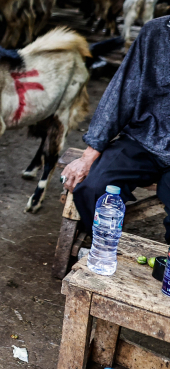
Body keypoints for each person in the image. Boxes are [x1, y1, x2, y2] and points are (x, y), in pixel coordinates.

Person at [62, 15, 170, 243]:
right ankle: (103, 247)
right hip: (144, 138)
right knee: (94, 186)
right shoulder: (155, 32)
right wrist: (89, 155)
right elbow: (122, 92)